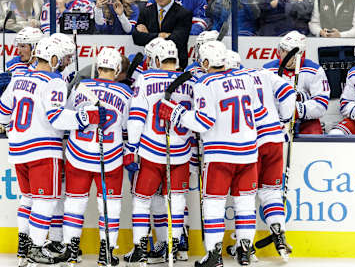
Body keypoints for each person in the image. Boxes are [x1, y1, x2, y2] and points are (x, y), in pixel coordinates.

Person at [157, 41, 268, 267]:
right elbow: (260, 112)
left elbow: (203, 122)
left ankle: (214, 255)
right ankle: (245, 250)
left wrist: (177, 113)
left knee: (214, 204)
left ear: (206, 62)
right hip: (248, 153)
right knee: (245, 203)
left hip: (220, 155)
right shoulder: (246, 77)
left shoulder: (204, 82)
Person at [0, 37, 102, 265]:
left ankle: (23, 248)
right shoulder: (54, 82)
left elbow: (2, 110)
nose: (64, 62)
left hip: (17, 149)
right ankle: (35, 248)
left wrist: (10, 126)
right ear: (54, 59)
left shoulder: (19, 78)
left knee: (28, 199)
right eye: (62, 58)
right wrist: (84, 117)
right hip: (43, 150)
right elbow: (57, 118)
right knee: (46, 201)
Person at [58, 48, 133, 267]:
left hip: (78, 155)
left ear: (97, 66)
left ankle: (71, 249)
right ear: (117, 69)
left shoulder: (81, 87)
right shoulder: (126, 93)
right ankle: (106, 252)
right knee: (110, 206)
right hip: (110, 160)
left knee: (74, 204)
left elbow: (67, 117)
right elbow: (130, 127)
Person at [124, 39, 194, 265]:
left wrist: (132, 148)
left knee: (142, 200)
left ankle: (140, 248)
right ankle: (172, 245)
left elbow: (136, 118)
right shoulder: (190, 81)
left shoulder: (146, 78)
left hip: (151, 152)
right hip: (182, 153)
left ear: (155, 59)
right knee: (176, 199)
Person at [232, 50, 295, 262]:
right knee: (271, 192)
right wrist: (283, 118)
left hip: (251, 144)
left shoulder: (229, 82)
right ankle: (279, 232)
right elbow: (288, 90)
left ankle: (244, 245)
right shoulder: (262, 73)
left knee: (246, 197)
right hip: (275, 139)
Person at [263, 31, 330, 134]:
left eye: (287, 51)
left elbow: (321, 105)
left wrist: (296, 109)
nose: (282, 54)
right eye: (282, 49)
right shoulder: (267, 70)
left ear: (299, 55)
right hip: (276, 120)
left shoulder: (315, 71)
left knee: (314, 133)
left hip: (305, 121)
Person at [132, 0, 192, 70]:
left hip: (175, 67)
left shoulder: (184, 13)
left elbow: (178, 40)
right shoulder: (146, 11)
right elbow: (137, 38)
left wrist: (149, 35)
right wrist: (161, 35)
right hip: (151, 66)